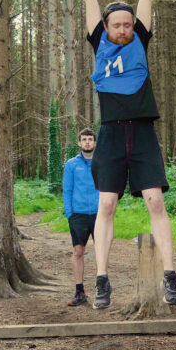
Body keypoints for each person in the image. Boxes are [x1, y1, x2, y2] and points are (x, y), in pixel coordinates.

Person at [83, 0, 176, 309]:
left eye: (127, 24)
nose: (123, 29)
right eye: (117, 25)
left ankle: (171, 276)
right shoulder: (100, 43)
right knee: (105, 204)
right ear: (106, 28)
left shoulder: (140, 39)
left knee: (155, 201)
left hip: (141, 132)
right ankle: (102, 279)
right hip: (110, 133)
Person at [62, 128, 100, 306]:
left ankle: (102, 290)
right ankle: (79, 291)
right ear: (79, 143)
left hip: (99, 214)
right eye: (84, 139)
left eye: (90, 139)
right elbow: (67, 190)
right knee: (78, 252)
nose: (87, 142)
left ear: (95, 142)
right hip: (78, 215)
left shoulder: (101, 162)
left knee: (102, 251)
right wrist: (70, 213)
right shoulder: (71, 164)